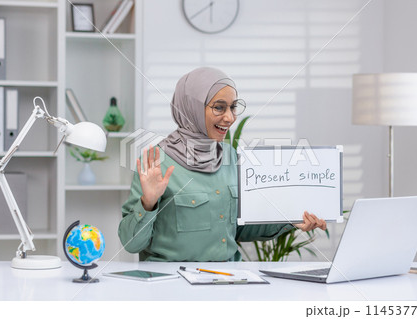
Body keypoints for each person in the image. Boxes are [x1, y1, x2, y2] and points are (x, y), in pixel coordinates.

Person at [118, 67, 326, 262]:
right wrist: (148, 202)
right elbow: (131, 244)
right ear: (191, 108)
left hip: (226, 281)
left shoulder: (229, 157)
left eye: (233, 108)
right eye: (219, 108)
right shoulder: (156, 162)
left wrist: (290, 220)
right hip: (173, 286)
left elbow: (239, 229)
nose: (230, 118)